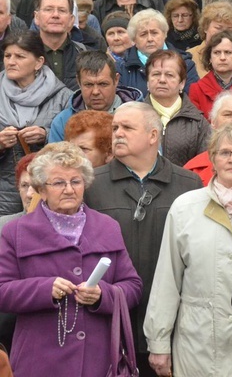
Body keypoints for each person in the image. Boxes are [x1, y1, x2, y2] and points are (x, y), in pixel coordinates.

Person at [144, 124, 232, 377]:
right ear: (212, 159)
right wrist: (158, 342)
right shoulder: (185, 207)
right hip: (196, 344)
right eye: (225, 152)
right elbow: (167, 280)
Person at [0, 142, 143, 377]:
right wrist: (44, 289)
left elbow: (133, 287)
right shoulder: (15, 232)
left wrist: (102, 296)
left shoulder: (107, 227)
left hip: (98, 362)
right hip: (39, 362)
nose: (69, 189)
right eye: (58, 183)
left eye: (76, 181)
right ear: (41, 189)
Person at [83, 102, 203, 376]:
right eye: (115, 128)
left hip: (170, 324)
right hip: (107, 320)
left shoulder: (189, 184)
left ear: (153, 135)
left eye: (127, 127)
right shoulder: (91, 184)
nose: (118, 134)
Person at [0, 31, 71, 215]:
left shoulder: (63, 96)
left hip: (47, 188)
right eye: (7, 56)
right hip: (3, 192)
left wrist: (46, 135)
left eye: (20, 56)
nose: (11, 61)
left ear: (39, 62)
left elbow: (73, 146)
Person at [49, 50, 143, 142]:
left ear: (116, 80)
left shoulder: (140, 116)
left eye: (103, 84)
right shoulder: (63, 121)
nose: (95, 92)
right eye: (88, 85)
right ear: (78, 81)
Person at [144, 49, 211, 166]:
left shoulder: (198, 123)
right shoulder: (132, 117)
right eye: (156, 74)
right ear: (147, 82)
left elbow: (204, 166)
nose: (162, 80)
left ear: (182, 83)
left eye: (169, 75)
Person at [117, 8, 199, 96]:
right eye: (143, 34)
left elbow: (192, 99)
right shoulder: (122, 67)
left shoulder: (185, 64)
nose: (150, 39)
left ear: (164, 34)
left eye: (154, 33)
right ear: (134, 39)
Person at [185, 0, 232, 79]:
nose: (223, 33)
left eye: (229, 29)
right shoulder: (189, 57)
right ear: (205, 28)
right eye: (218, 28)